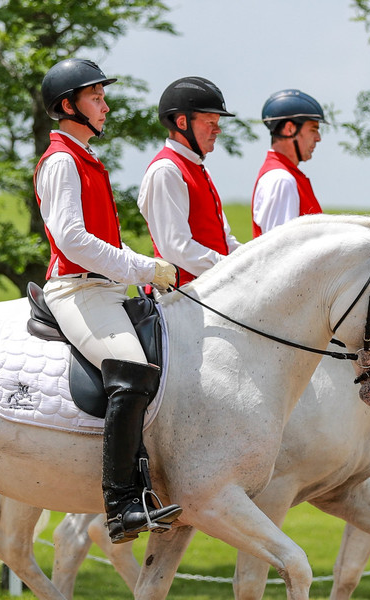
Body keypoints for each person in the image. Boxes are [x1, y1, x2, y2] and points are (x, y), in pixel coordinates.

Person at [35, 57, 181, 544]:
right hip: (76, 290)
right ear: (67, 105)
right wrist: (143, 267)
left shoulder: (86, 158)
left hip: (106, 288)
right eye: (96, 97)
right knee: (132, 370)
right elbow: (72, 241)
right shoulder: (61, 161)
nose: (106, 105)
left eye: (102, 96)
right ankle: (121, 504)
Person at [138, 77, 241, 286]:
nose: (217, 130)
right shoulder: (166, 171)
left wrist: (253, 261)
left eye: (218, 123)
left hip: (212, 289)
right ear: (182, 122)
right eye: (210, 122)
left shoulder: (198, 168)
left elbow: (224, 239)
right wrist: (232, 269)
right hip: (184, 297)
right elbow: (176, 248)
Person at [251, 89, 325, 238]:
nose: (318, 138)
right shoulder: (281, 180)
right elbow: (281, 253)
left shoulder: (287, 176)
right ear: (289, 129)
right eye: (313, 129)